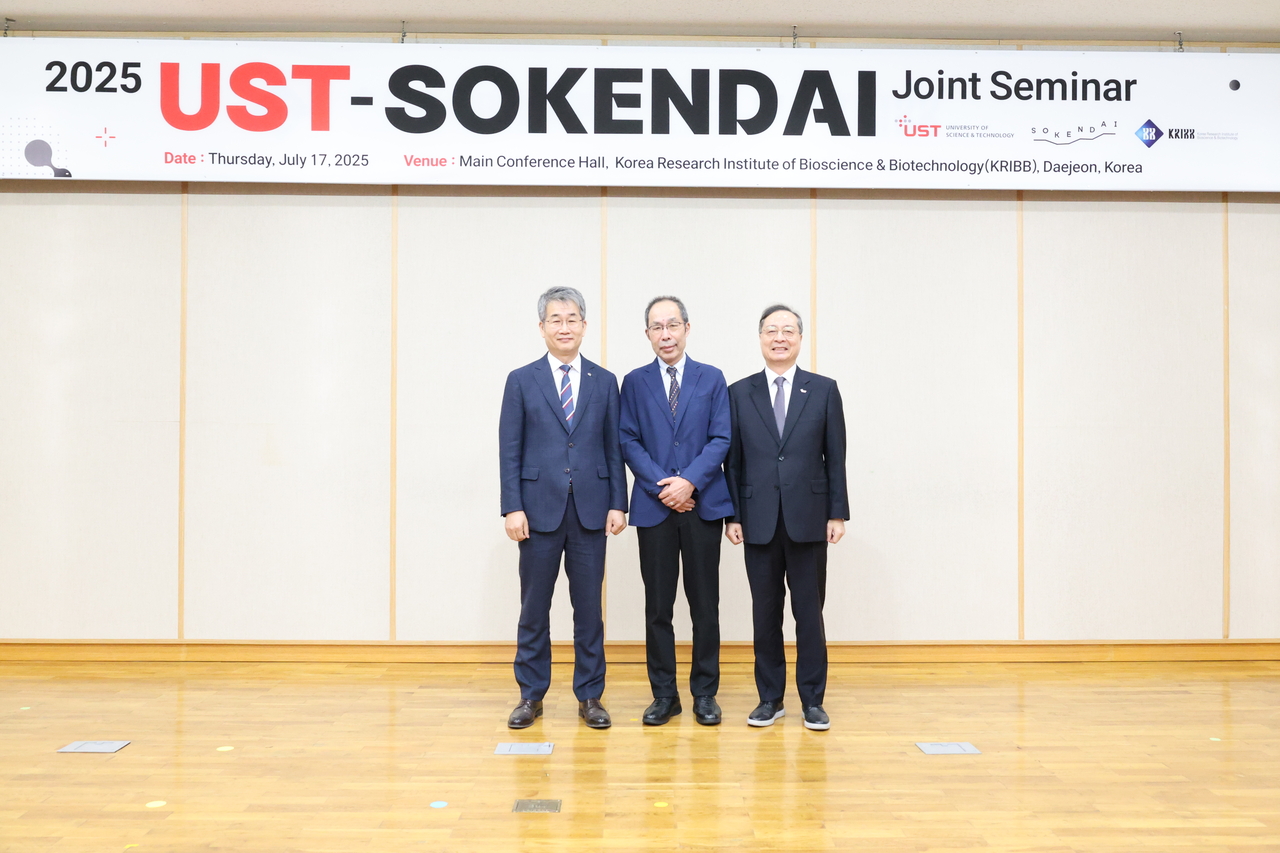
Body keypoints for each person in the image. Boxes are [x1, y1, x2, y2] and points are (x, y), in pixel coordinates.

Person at [498, 286, 628, 729]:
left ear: (584, 326)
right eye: (556, 319)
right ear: (542, 327)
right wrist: (512, 507)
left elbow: (613, 448)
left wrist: (618, 503)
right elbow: (509, 449)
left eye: (572, 319)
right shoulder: (521, 380)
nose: (564, 327)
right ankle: (530, 695)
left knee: (589, 610)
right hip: (537, 512)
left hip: (591, 510)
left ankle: (590, 695)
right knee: (534, 608)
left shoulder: (604, 381)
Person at [724, 304, 849, 731]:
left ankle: (813, 700)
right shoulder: (739, 392)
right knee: (765, 614)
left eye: (788, 330)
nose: (780, 337)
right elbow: (732, 463)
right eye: (772, 330)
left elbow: (836, 456)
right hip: (756, 518)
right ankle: (770, 699)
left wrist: (837, 513)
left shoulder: (824, 389)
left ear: (799, 338)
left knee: (809, 613)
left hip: (809, 518)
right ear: (760, 338)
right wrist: (732, 516)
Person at [619, 296, 733, 726]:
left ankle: (705, 693)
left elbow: (721, 439)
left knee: (705, 606)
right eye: (657, 327)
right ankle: (664, 695)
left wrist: (689, 482)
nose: (665, 334)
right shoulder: (634, 382)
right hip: (655, 508)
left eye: (672, 325)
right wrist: (664, 487)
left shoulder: (712, 378)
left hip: (702, 505)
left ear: (687, 328)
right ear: (647, 334)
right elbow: (628, 440)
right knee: (658, 607)